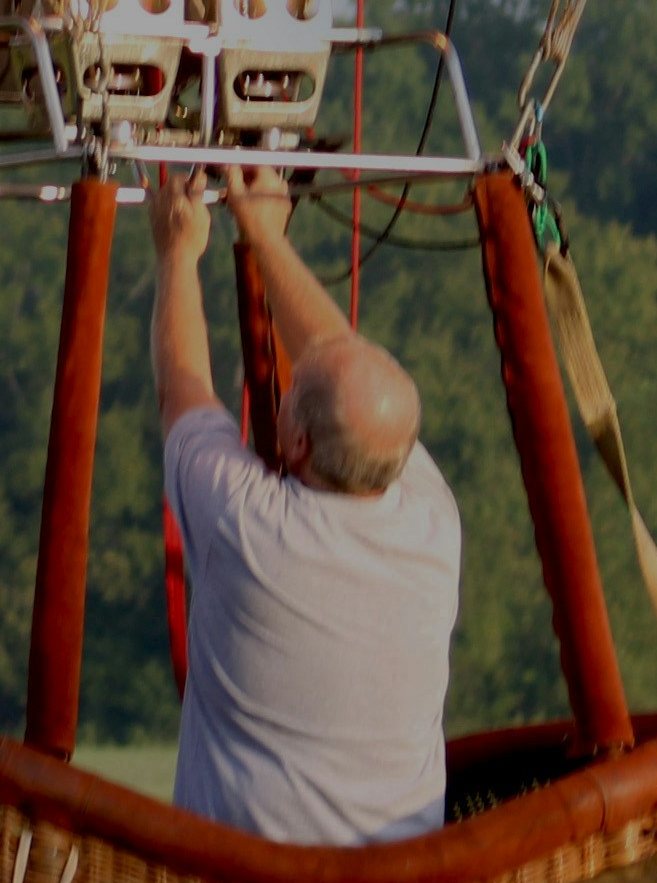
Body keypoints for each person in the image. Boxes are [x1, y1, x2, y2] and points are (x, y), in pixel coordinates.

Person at [147, 167, 462, 845]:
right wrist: (264, 232)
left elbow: (183, 389)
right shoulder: (434, 521)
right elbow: (334, 356)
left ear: (292, 440)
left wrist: (176, 252)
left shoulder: (247, 526)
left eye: (290, 398)